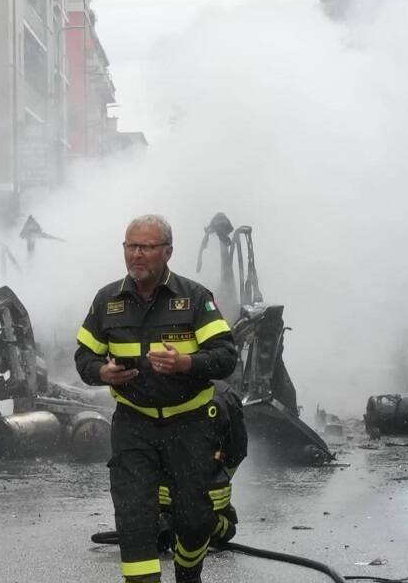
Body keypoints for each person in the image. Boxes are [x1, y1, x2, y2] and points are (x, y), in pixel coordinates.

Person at [76, 215, 238, 583]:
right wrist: (102, 372)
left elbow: (226, 357)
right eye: (130, 246)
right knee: (134, 518)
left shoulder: (194, 298)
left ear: (167, 252)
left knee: (194, 519)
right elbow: (84, 358)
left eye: (146, 247)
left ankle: (188, 572)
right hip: (134, 425)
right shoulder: (107, 300)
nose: (136, 254)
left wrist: (186, 363)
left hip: (190, 424)